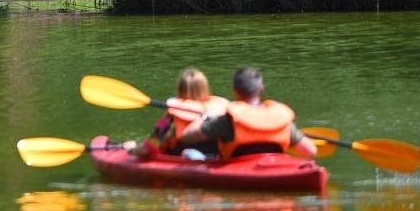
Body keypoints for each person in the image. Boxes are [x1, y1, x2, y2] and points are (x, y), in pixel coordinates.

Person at [179, 66, 317, 159]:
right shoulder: (281, 120)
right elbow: (311, 151)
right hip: (274, 166)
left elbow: (187, 136)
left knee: (188, 153)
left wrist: (206, 115)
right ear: (262, 89)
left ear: (235, 92)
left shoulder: (229, 121)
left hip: (237, 169)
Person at [123, 68, 226, 159]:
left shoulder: (171, 117)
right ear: (206, 88)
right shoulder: (221, 110)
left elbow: (147, 149)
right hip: (216, 157)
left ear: (179, 90)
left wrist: (132, 149)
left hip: (180, 159)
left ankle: (194, 156)